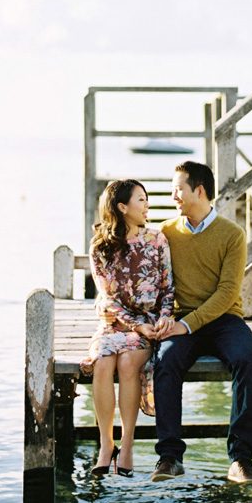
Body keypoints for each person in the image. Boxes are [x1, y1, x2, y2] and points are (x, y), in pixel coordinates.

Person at [151, 160, 252, 484]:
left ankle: (241, 460)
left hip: (225, 318)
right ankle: (169, 457)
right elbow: (157, 281)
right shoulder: (167, 233)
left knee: (247, 359)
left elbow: (228, 292)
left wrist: (187, 325)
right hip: (183, 317)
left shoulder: (232, 235)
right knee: (166, 360)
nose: (173, 196)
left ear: (199, 191)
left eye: (178, 189)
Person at [81, 179, 175, 477]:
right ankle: (106, 446)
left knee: (126, 363)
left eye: (146, 200)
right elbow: (106, 296)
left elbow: (168, 288)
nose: (147, 205)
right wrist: (133, 325)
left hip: (148, 324)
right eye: (141, 200)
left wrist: (161, 320)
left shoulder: (157, 240)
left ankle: (128, 445)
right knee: (103, 362)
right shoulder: (101, 246)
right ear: (123, 207)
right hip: (114, 322)